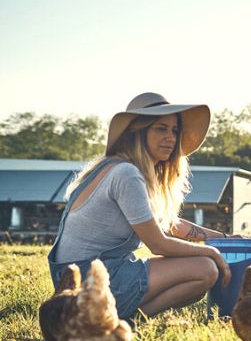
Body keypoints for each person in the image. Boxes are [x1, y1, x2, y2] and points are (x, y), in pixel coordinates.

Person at [48, 92, 235, 320]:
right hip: (87, 281)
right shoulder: (126, 173)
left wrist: (226, 238)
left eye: (175, 131)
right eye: (160, 128)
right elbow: (158, 243)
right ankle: (125, 321)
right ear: (137, 132)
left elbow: (168, 225)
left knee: (203, 267)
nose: (171, 138)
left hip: (73, 281)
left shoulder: (114, 167)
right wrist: (212, 251)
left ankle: (124, 319)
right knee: (205, 269)